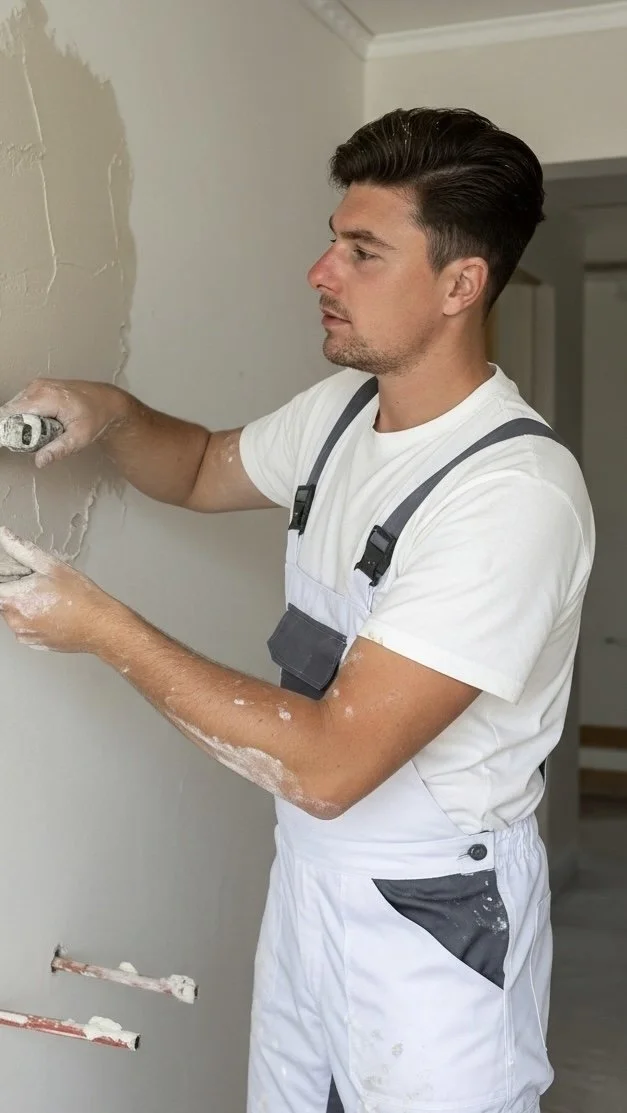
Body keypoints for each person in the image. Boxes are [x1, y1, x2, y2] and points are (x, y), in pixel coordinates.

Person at [0, 107, 594, 1113]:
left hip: (434, 909)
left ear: (460, 285)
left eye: (363, 252)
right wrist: (112, 412)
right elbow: (195, 466)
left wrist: (97, 625)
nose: (321, 273)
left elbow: (327, 766)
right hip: (313, 875)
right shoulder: (343, 413)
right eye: (334, 241)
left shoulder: (511, 498)